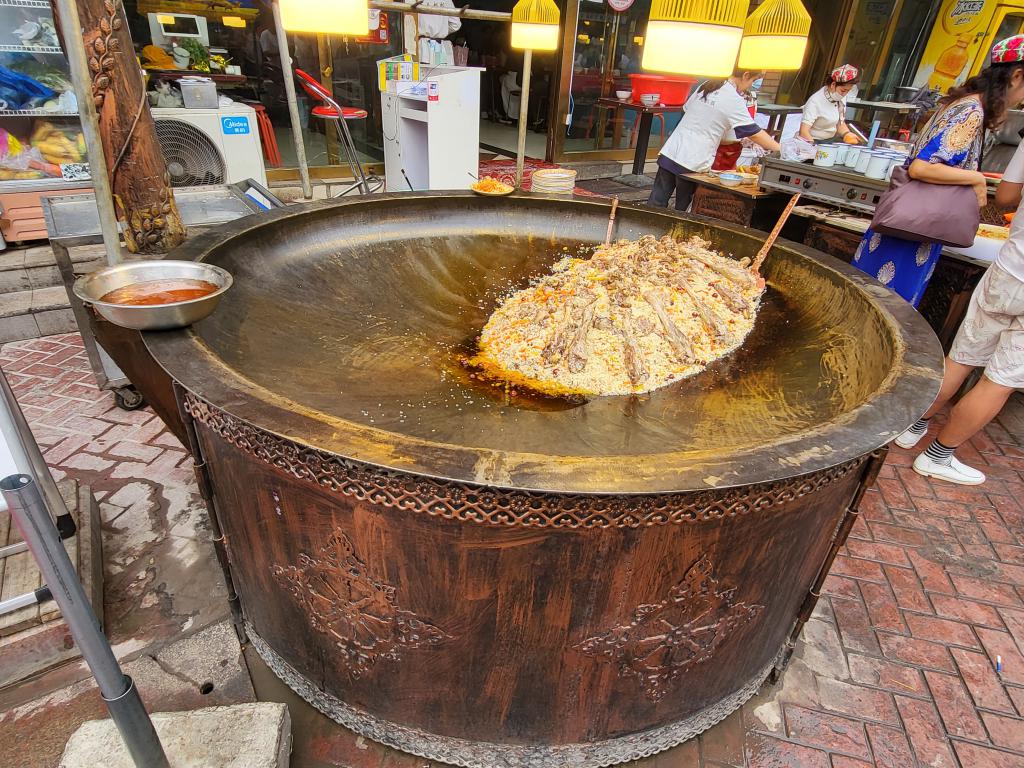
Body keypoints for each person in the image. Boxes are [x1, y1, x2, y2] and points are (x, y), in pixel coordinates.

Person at [894, 111, 1024, 485]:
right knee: (999, 381)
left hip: (1009, 268)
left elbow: (1007, 196)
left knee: (962, 357)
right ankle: (938, 456)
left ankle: (912, 428)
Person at [853, 39, 1024, 307]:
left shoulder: (962, 103)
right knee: (885, 307)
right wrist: (976, 178)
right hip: (912, 228)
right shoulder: (971, 111)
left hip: (912, 223)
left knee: (866, 300)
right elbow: (923, 167)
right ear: (1017, 76)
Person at [648, 69, 780, 211]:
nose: (750, 86)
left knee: (655, 205)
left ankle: (644, 229)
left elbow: (689, 111)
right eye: (753, 81)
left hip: (671, 152)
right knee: (684, 211)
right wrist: (781, 150)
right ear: (745, 75)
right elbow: (754, 133)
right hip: (693, 162)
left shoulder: (707, 85)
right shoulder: (732, 98)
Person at [799, 65, 862, 144]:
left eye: (848, 91)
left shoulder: (840, 98)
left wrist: (847, 134)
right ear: (833, 85)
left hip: (830, 140)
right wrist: (812, 147)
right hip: (812, 140)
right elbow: (803, 131)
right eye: (843, 90)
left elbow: (840, 122)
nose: (844, 94)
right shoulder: (815, 101)